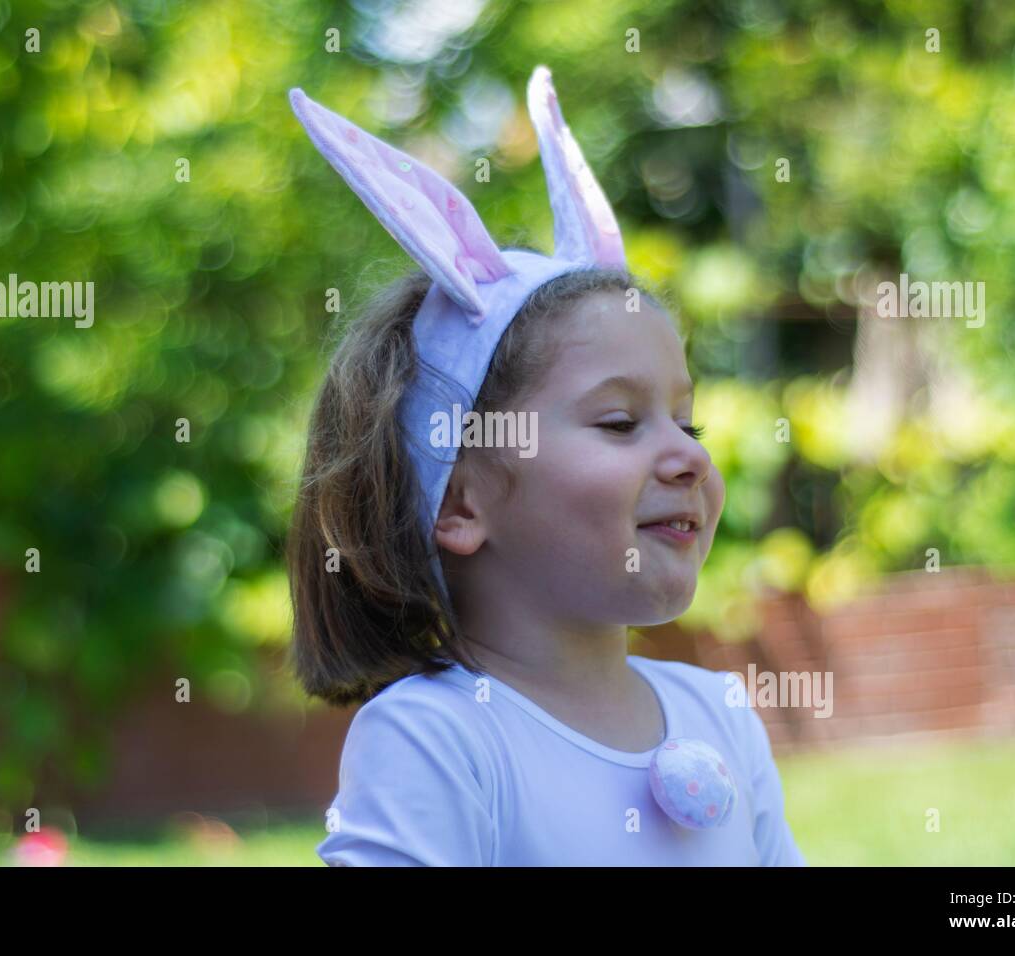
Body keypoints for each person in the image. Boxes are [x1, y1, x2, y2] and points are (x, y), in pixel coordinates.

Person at [285, 65, 806, 866]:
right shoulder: (439, 740)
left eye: (687, 418)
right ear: (461, 502)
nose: (690, 454)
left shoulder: (720, 714)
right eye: (619, 421)